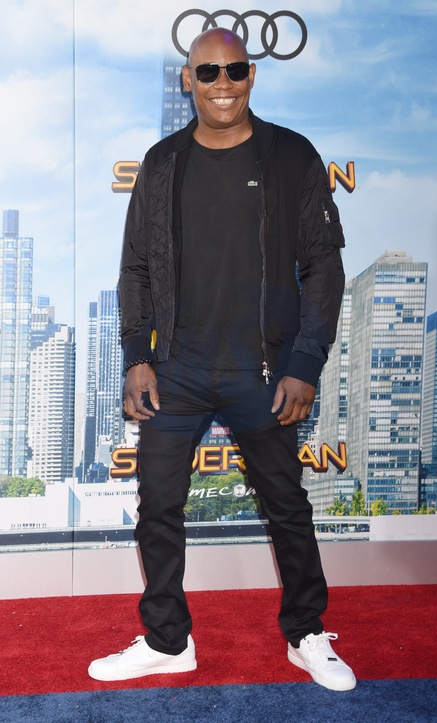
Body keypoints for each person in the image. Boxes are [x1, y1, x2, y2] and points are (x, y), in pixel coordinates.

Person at [88, 27, 356, 692]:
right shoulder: (162, 163)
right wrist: (137, 355)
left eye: (234, 70)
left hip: (262, 372)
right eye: (207, 72)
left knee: (287, 505)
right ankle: (167, 641)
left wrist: (305, 363)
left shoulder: (291, 155)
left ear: (252, 75)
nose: (222, 84)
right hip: (175, 371)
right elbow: (136, 269)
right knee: (157, 506)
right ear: (188, 81)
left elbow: (324, 267)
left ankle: (306, 632)